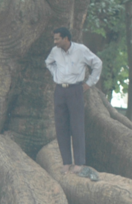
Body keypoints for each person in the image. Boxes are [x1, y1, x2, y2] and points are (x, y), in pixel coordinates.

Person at [44, 27, 102, 177]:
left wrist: (89, 84)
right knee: (61, 126)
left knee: (77, 126)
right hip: (60, 91)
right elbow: (48, 63)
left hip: (75, 90)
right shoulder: (55, 51)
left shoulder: (81, 50)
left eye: (57, 39)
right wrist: (56, 75)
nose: (55, 42)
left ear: (66, 39)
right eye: (54, 39)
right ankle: (66, 162)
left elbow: (97, 63)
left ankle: (79, 162)